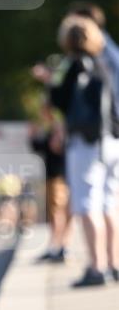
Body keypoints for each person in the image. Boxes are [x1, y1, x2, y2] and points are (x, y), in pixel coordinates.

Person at [49, 15, 119, 286]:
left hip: (86, 140)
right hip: (113, 138)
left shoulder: (70, 65)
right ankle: (114, 263)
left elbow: (58, 99)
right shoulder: (110, 62)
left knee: (87, 202)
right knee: (111, 202)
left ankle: (96, 266)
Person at [29, 105, 70, 262]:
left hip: (59, 176)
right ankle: (55, 245)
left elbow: (57, 148)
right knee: (53, 213)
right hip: (52, 175)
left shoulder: (59, 128)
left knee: (57, 212)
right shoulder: (51, 129)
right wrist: (32, 135)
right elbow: (41, 148)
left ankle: (59, 245)